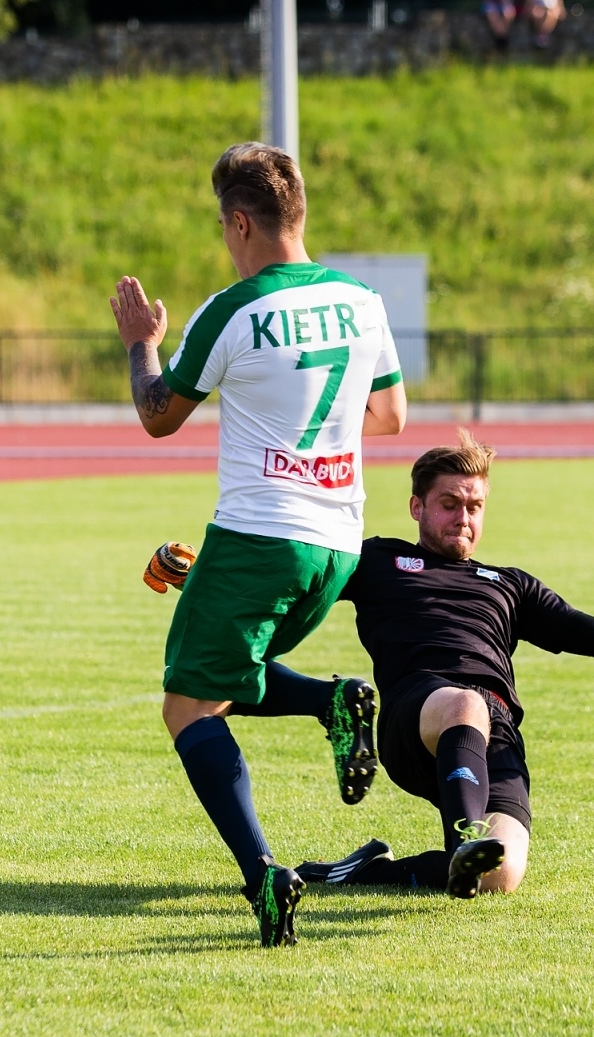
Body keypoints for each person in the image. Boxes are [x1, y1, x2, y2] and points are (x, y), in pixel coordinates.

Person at [178, 431, 594, 898]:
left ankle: (370, 871)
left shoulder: (508, 585)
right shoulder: (375, 561)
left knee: (503, 873)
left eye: (475, 504)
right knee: (463, 702)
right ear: (417, 507)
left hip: (496, 737)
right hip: (415, 715)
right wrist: (192, 575)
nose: (464, 516)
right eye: (450, 502)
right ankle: (464, 832)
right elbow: (286, 586)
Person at [109, 142, 409, 947]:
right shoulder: (363, 302)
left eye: (221, 224)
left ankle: (263, 876)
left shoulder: (232, 310)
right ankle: (332, 701)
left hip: (259, 535)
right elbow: (390, 418)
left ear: (241, 222)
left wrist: (141, 340)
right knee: (227, 676)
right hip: (337, 544)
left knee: (187, 703)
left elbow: (156, 414)